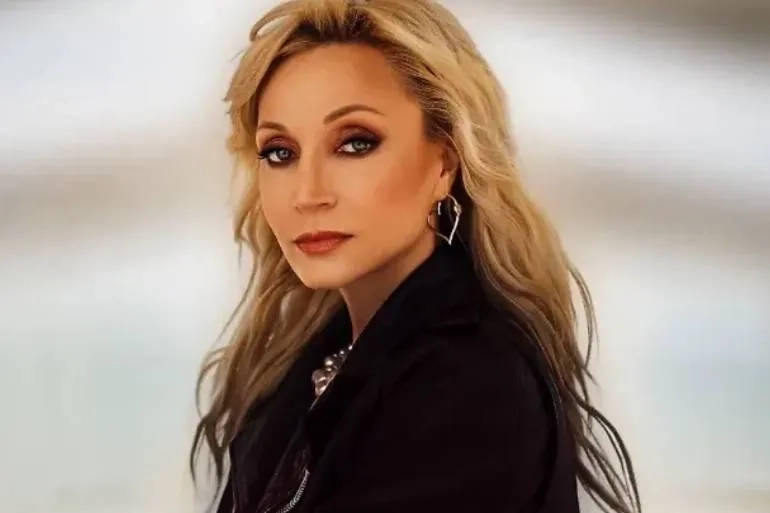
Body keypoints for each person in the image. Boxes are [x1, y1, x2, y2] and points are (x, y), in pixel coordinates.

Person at [190, 1, 641, 512]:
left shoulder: (469, 383)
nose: (307, 193)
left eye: (355, 144)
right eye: (280, 152)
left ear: (445, 162)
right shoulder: (319, 364)